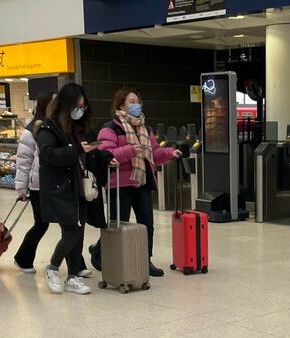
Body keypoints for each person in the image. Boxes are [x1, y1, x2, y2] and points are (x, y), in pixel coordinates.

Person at [92, 89, 181, 277]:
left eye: (138, 101)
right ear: (121, 105)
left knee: (146, 222)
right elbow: (106, 155)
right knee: (119, 223)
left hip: (142, 182)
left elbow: (153, 154)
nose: (136, 105)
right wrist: (131, 150)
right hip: (120, 184)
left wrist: (169, 153)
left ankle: (144, 260)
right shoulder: (109, 128)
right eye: (132, 101)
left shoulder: (145, 129)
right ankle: (102, 252)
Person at [37, 83, 112, 295]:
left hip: (82, 188)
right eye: (77, 106)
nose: (80, 110)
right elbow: (48, 155)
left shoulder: (83, 129)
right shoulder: (49, 128)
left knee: (77, 233)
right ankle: (52, 267)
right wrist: (77, 150)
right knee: (71, 232)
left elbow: (91, 152)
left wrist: (105, 156)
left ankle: (73, 276)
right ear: (66, 105)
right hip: (62, 189)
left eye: (83, 106)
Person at [13, 91, 54, 273]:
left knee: (67, 224)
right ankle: (23, 258)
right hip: (37, 186)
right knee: (41, 224)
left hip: (56, 184)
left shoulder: (57, 127)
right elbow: (23, 162)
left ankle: (77, 264)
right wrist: (21, 188)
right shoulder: (31, 132)